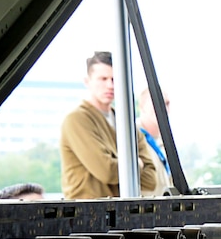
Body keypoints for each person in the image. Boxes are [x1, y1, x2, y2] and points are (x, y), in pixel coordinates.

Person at [60, 51, 163, 199]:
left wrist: (120, 168)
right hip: (88, 213)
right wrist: (137, 164)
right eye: (103, 79)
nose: (110, 85)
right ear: (87, 81)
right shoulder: (77, 120)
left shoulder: (126, 122)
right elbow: (107, 171)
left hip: (120, 213)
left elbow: (150, 180)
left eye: (115, 79)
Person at [137, 88, 173, 184]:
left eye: (167, 103)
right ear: (142, 107)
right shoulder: (131, 138)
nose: (163, 108)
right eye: (156, 102)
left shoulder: (167, 143)